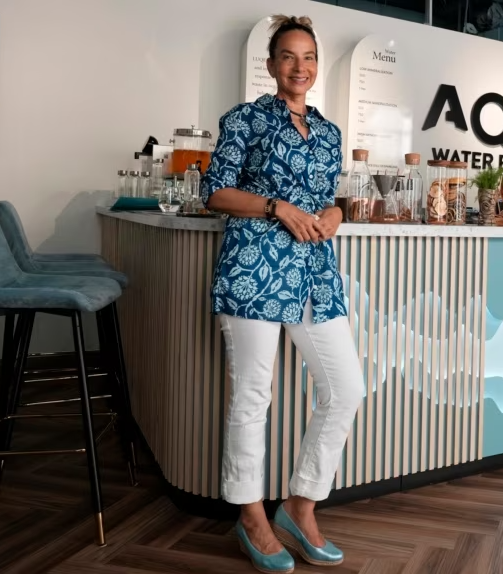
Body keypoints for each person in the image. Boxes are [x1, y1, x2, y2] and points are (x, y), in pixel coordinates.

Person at [200, 14, 362, 574]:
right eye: (289, 56)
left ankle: (300, 505)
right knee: (253, 396)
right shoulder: (244, 119)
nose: (300, 67)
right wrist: (275, 207)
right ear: (270, 65)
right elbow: (214, 191)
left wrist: (336, 211)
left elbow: (329, 195)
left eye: (309, 57)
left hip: (315, 271)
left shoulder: (330, 132)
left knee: (346, 388)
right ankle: (250, 515)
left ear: (317, 66)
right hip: (254, 267)